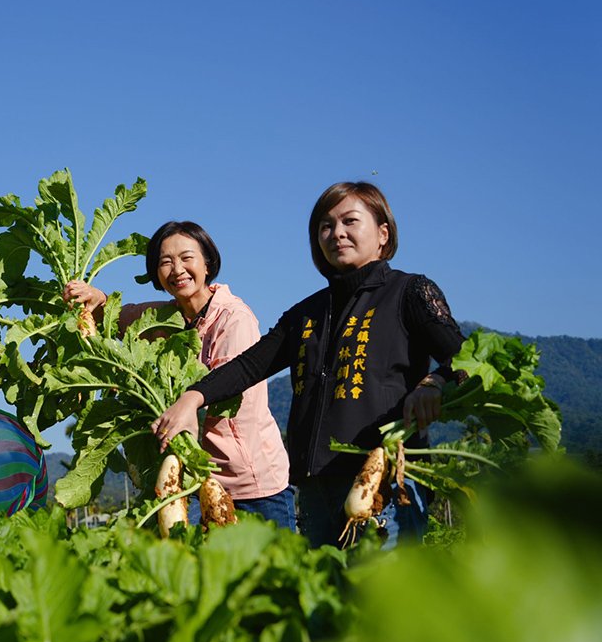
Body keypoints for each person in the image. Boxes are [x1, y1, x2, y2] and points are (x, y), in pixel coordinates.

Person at [150, 182, 465, 548]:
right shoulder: (306, 313)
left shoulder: (409, 292)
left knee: (382, 596)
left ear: (382, 233)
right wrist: (193, 398)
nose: (337, 233)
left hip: (384, 485)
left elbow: (464, 359)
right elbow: (249, 366)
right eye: (326, 227)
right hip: (316, 489)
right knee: (326, 599)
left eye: (350, 221)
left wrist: (435, 383)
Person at [65, 220, 294, 530]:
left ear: (208, 263)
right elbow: (121, 316)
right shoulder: (166, 318)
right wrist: (93, 298)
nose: (177, 269)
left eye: (187, 258)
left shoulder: (233, 318)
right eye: (165, 262)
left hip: (250, 485)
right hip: (191, 484)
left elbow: (229, 388)